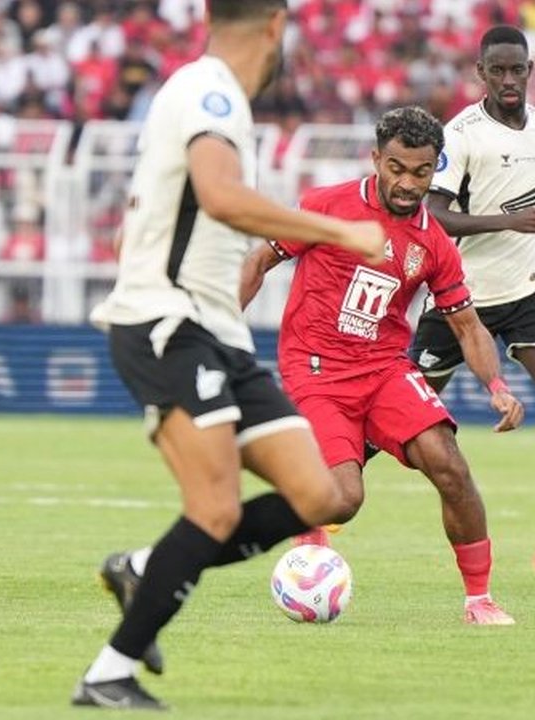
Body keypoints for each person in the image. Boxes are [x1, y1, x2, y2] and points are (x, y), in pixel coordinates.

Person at [78, 0, 383, 710]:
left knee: (324, 494)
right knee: (214, 510)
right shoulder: (210, 90)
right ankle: (108, 673)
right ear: (276, 27)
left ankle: (146, 567)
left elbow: (181, 203)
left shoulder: (206, 95)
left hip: (219, 333)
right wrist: (339, 233)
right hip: (169, 325)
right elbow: (219, 196)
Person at [241, 106, 525, 625]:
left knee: (450, 465)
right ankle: (308, 515)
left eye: (420, 171)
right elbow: (260, 259)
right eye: (396, 167)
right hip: (317, 368)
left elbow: (466, 325)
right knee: (344, 500)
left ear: (435, 167)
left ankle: (479, 600)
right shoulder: (327, 207)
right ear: (376, 159)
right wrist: (220, 329)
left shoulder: (435, 244)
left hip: (384, 369)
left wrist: (497, 384)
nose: (407, 182)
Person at [412, 25, 535, 582]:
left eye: (518, 70)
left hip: (528, 287)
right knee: (403, 414)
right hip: (460, 295)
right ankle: (328, 509)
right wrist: (506, 222)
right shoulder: (461, 134)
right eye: (499, 70)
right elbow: (435, 213)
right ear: (481, 73)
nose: (510, 80)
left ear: (530, 71)